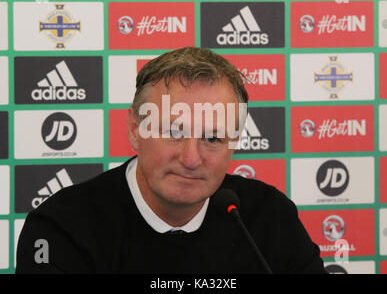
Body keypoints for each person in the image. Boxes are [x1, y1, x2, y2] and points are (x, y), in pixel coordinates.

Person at [16, 47, 326, 274]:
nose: (191, 159)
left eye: (213, 138)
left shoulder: (269, 216)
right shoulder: (63, 226)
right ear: (136, 129)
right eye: (174, 132)